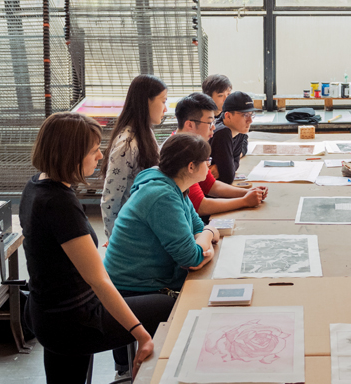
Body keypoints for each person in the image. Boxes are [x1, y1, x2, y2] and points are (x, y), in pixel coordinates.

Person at [21, 112, 160, 383]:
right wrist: (141, 335)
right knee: (170, 306)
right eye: (95, 150)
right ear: (71, 154)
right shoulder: (60, 203)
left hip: (46, 310)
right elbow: (98, 280)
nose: (100, 157)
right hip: (74, 319)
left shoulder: (36, 185)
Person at [103, 133, 221, 372]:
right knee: (202, 308)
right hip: (134, 289)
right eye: (206, 160)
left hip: (148, 279)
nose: (209, 166)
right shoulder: (163, 195)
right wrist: (210, 233)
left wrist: (203, 235)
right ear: (191, 166)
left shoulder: (172, 184)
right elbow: (193, 256)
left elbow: (196, 227)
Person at [173, 93, 266, 216]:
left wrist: (248, 192)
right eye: (209, 123)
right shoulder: (178, 152)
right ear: (189, 125)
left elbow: (211, 186)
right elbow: (200, 206)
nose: (214, 128)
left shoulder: (192, 146)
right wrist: (244, 201)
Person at [100, 74, 168, 238]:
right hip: (132, 231)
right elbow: (111, 199)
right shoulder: (127, 144)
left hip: (147, 223)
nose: (165, 109)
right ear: (146, 101)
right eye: (163, 101)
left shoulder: (145, 133)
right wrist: (114, 240)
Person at [209, 91, 256, 186]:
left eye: (251, 114)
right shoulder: (222, 133)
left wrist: (227, 166)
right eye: (245, 115)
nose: (250, 120)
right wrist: (229, 166)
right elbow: (228, 177)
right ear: (228, 116)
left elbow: (235, 162)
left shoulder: (239, 131)